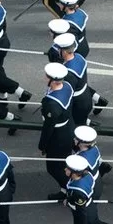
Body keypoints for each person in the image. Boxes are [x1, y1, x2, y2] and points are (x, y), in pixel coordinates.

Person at [40, 62, 74, 201]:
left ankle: (69, 189)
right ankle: (65, 188)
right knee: (62, 164)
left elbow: (48, 127)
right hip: (68, 127)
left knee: (54, 168)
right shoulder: (67, 86)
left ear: (52, 80)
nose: (44, 78)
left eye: (46, 76)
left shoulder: (52, 104)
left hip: (58, 137)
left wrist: (43, 145)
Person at [55, 33, 93, 127]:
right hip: (86, 97)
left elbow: (68, 94)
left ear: (63, 51)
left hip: (78, 104)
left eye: (58, 49)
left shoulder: (68, 72)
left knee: (75, 127)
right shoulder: (79, 57)